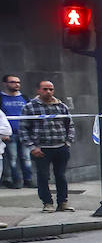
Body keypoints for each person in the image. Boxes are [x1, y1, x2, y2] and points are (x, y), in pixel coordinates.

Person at [20, 80, 75, 211]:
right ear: (38, 90)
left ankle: (63, 203)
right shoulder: (29, 107)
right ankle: (47, 203)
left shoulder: (61, 106)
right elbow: (23, 129)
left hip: (60, 147)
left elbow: (70, 125)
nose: (48, 92)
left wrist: (68, 142)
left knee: (61, 176)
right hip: (41, 149)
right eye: (45, 89)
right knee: (43, 177)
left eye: (51, 89)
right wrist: (32, 147)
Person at [1, 74, 33, 188]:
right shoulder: (1, 98)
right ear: (5, 84)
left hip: (25, 133)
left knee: (26, 157)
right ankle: (16, 181)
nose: (16, 84)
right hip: (10, 134)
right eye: (13, 82)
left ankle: (28, 180)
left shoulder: (24, 97)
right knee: (12, 158)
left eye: (18, 82)